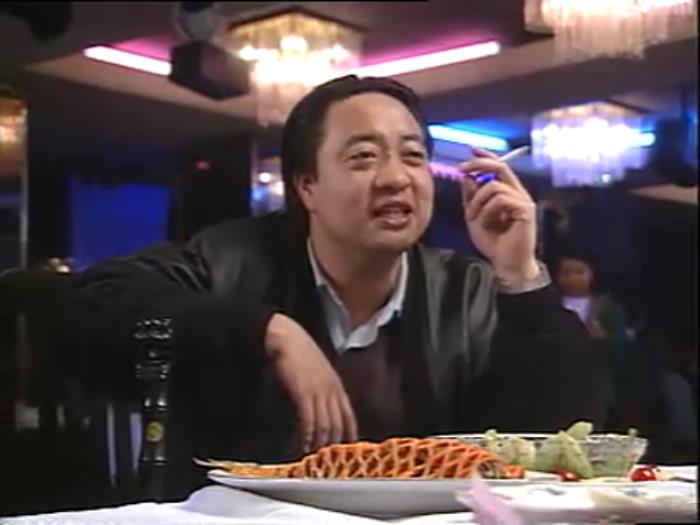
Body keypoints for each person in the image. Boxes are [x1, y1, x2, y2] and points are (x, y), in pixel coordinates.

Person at [63, 75, 603, 499]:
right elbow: (91, 307)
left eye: (413, 156)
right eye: (363, 157)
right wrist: (267, 331)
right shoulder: (233, 259)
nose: (396, 178)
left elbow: (557, 440)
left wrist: (520, 274)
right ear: (307, 187)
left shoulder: (468, 289)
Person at [554, 250, 637, 430]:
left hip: (596, 386)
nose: (572, 278)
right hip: (557, 384)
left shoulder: (610, 309)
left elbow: (623, 354)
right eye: (566, 273)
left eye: (579, 272)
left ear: (593, 273)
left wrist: (604, 339)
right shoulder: (550, 306)